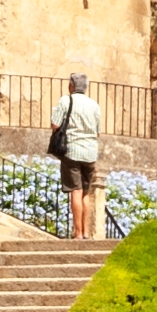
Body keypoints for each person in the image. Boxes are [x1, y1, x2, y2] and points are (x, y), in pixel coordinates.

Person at [49, 71, 104, 241]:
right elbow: (98, 132)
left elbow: (55, 124)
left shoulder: (66, 100)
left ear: (71, 85)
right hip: (90, 153)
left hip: (72, 150)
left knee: (76, 190)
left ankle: (78, 232)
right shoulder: (94, 105)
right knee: (85, 192)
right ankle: (86, 231)